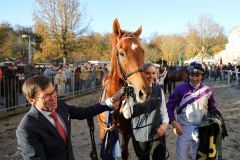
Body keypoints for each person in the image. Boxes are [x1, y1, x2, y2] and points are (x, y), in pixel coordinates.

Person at [16, 75, 124, 160]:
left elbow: (86, 112)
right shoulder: (26, 130)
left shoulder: (61, 105)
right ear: (31, 100)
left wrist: (112, 99)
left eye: (54, 92)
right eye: (46, 96)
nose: (53, 98)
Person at [167, 61, 216, 160]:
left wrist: (213, 123)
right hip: (183, 128)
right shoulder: (179, 89)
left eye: (198, 75)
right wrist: (174, 122)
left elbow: (213, 109)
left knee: (198, 158)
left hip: (201, 129)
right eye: (192, 75)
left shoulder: (208, 91)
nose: (194, 78)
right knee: (181, 157)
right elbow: (169, 108)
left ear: (202, 76)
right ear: (188, 75)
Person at [123, 62, 169, 160]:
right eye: (147, 73)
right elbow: (127, 115)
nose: (151, 76)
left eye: (153, 73)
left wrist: (165, 125)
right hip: (140, 136)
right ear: (141, 74)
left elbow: (164, 112)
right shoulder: (132, 92)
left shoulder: (159, 90)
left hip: (157, 134)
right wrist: (127, 99)